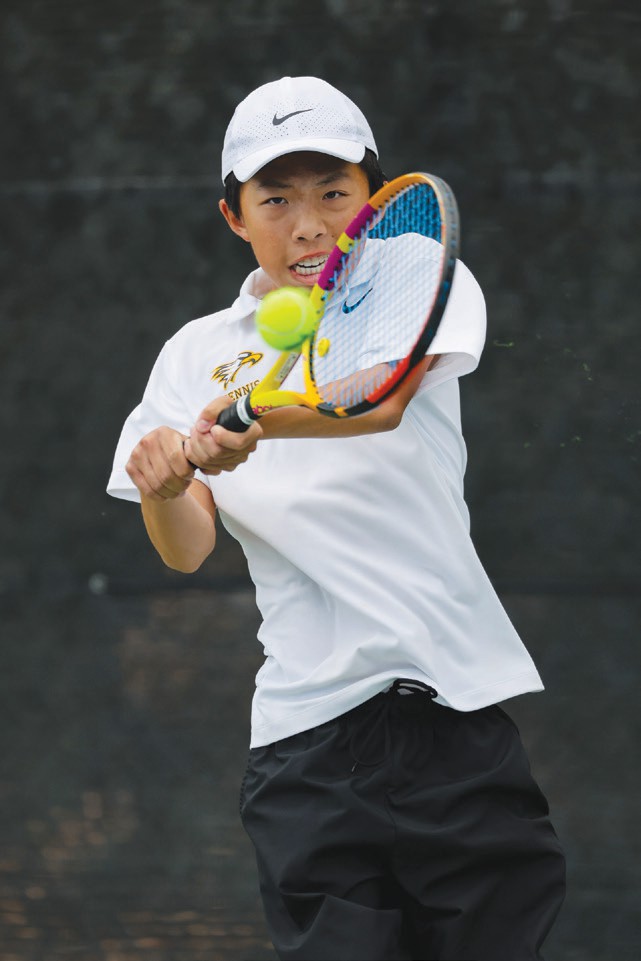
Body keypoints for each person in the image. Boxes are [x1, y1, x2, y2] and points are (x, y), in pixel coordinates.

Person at [107, 76, 565, 961]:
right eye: (276, 199)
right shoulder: (194, 355)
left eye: (332, 193)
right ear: (234, 216)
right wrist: (167, 481)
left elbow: (377, 399)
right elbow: (186, 549)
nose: (309, 225)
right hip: (305, 747)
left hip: (453, 714)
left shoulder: (411, 275)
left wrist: (253, 419)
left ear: (371, 200)